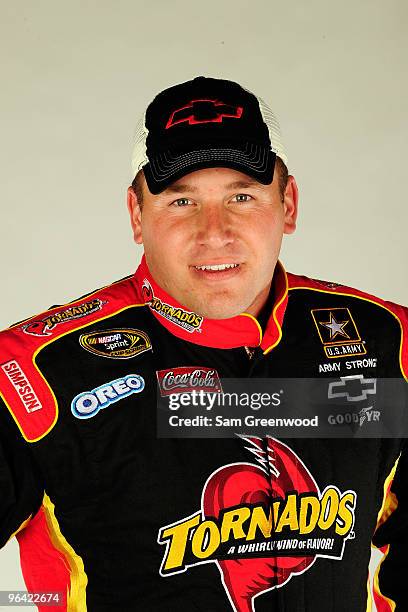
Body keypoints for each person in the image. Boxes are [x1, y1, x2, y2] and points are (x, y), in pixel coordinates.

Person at [0, 75, 406, 612]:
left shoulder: (389, 343)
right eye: (181, 201)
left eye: (242, 195)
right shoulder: (35, 372)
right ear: (136, 215)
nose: (215, 231)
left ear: (288, 204)